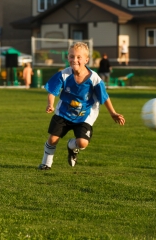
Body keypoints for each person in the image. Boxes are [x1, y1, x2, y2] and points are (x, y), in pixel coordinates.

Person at [38, 42, 125, 170]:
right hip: (63, 112)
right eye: (72, 56)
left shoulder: (94, 78)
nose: (75, 60)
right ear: (68, 58)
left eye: (79, 57)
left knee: (82, 143)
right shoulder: (64, 74)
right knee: (52, 139)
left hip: (85, 115)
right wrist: (50, 104)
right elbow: (52, 92)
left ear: (86, 60)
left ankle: (71, 147)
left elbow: (104, 97)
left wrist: (113, 113)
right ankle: (46, 164)